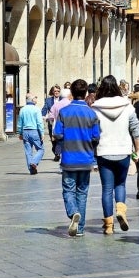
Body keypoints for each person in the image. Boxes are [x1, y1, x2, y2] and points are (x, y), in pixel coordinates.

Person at [91, 75, 139, 235]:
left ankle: (108, 225)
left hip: (104, 151)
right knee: (120, 184)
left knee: (106, 189)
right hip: (123, 150)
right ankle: (121, 209)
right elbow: (136, 130)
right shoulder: (128, 106)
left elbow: (92, 132)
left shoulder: (95, 108)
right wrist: (137, 150)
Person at [52, 79, 100, 237]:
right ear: (86, 93)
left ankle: (73, 212)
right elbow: (96, 137)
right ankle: (79, 229)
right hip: (86, 159)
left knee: (68, 190)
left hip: (69, 159)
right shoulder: (92, 113)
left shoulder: (64, 112)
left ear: (72, 93)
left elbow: (57, 134)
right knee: (82, 193)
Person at [17, 93, 45, 175]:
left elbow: (20, 123)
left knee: (28, 151)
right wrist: (42, 133)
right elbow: (39, 123)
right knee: (41, 149)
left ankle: (31, 169)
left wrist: (20, 133)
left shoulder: (22, 109)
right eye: (35, 98)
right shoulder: (36, 109)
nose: (36, 99)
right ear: (32, 100)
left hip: (25, 131)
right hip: (34, 131)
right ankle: (34, 162)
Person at [42, 85, 62, 161]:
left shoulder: (63, 99)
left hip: (61, 122)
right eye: (55, 91)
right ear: (52, 92)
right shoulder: (48, 100)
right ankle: (56, 152)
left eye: (58, 91)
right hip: (52, 122)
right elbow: (44, 109)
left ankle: (58, 153)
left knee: (60, 138)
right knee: (53, 139)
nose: (56, 92)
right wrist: (43, 116)